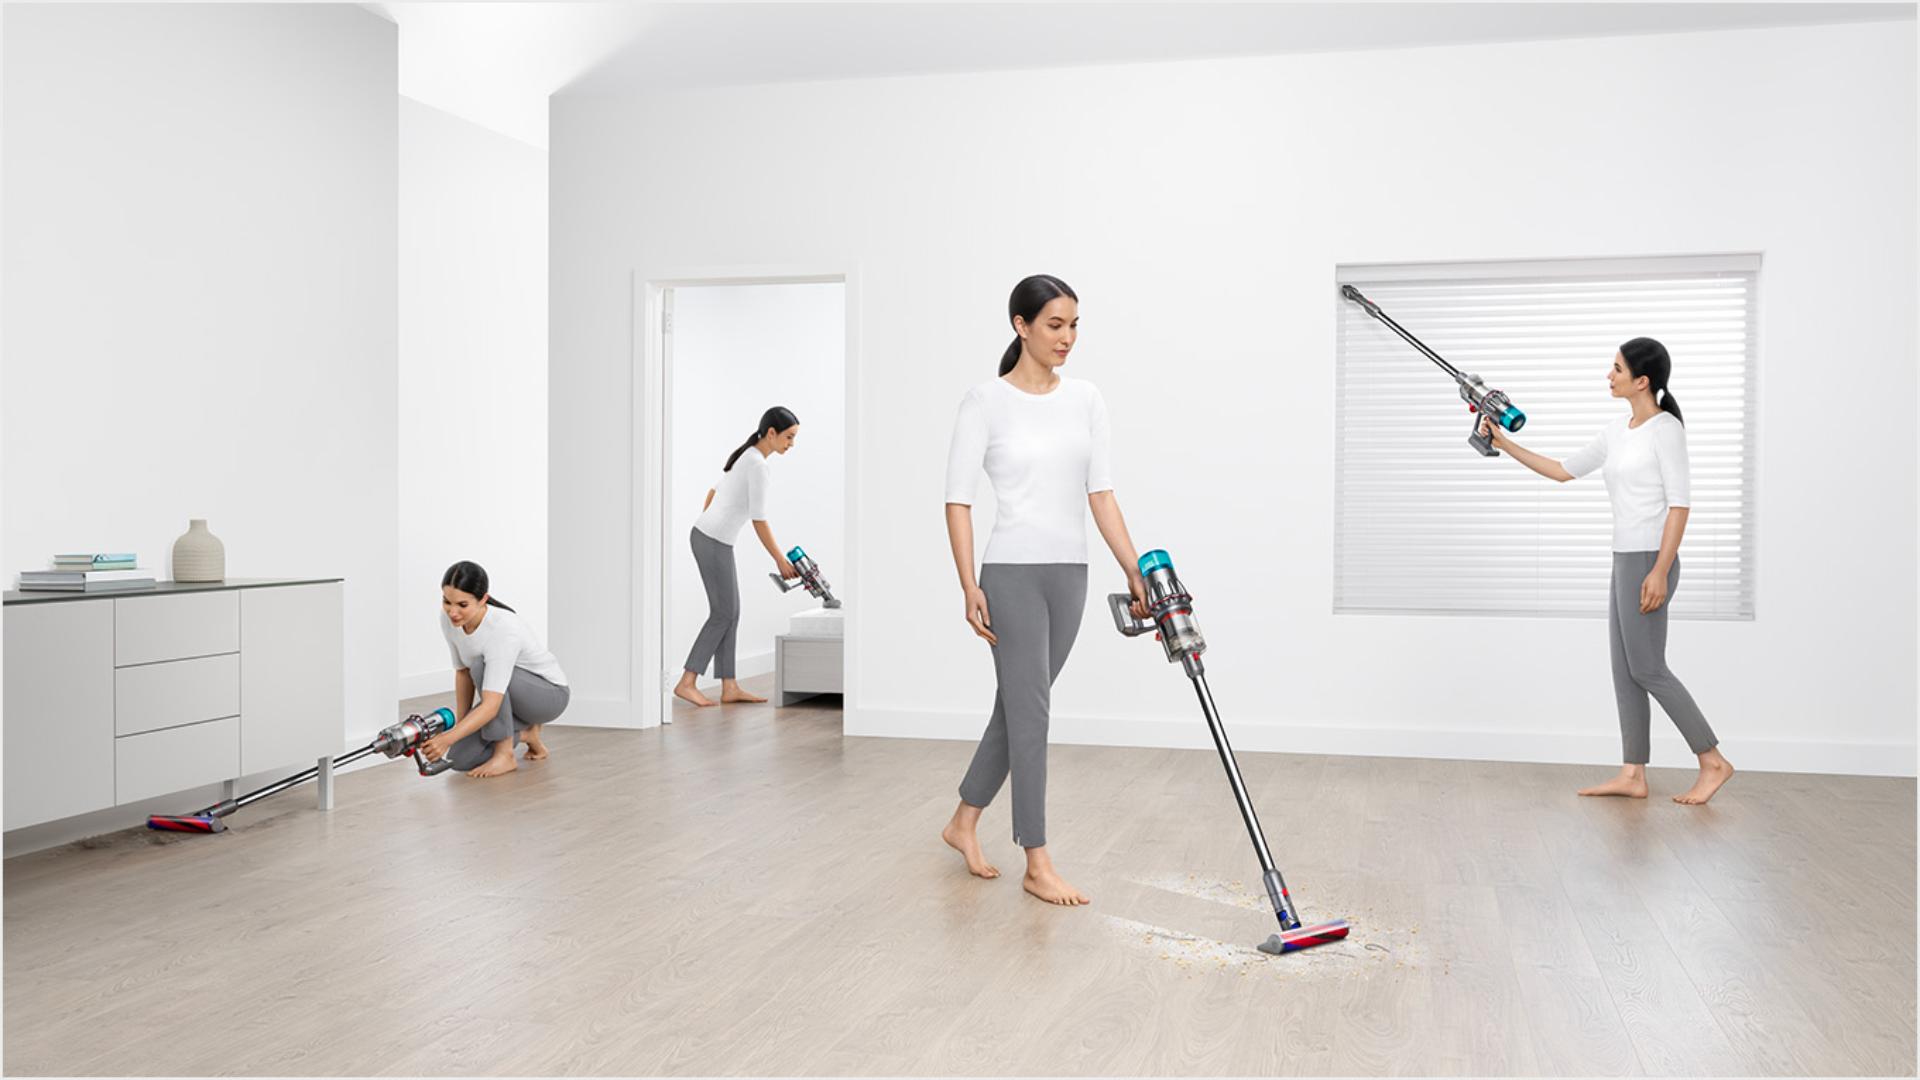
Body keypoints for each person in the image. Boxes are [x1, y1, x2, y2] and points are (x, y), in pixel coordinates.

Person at [941, 274, 1149, 906]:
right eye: (1055, 325)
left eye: (1075, 325)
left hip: (1072, 576)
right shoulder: (984, 402)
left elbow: (1101, 494)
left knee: (1018, 708)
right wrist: (969, 584)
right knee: (1033, 713)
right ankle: (1037, 859)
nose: (1068, 338)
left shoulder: (1086, 398)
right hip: (1011, 576)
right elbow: (957, 501)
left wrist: (1133, 570)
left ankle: (962, 822)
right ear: (1021, 325)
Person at [1481, 337, 1733, 805]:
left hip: (1649, 561)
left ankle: (1712, 760)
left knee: (1650, 668)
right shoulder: (1619, 430)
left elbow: (1680, 505)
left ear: (1642, 380)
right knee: (1626, 671)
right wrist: (1504, 443)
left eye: (1616, 368)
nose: (1608, 375)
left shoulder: (1666, 429)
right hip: (1624, 559)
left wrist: (1659, 571)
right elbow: (1562, 471)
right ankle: (1633, 773)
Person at [675, 406, 802, 707]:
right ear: (771, 433)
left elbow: (713, 491)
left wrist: (710, 522)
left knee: (731, 612)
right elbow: (759, 519)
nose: (791, 444)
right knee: (723, 613)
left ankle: (729, 686)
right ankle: (687, 682)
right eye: (789, 437)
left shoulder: (748, 456)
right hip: (712, 540)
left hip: (714, 538)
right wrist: (780, 560)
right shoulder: (757, 464)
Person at [421, 560, 571, 778]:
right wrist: (459, 729)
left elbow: (491, 706)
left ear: (483, 599)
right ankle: (528, 734)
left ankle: (505, 754)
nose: (453, 612)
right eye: (447, 602)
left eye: (462, 605)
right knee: (459, 760)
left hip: (548, 696)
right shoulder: (448, 620)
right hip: (507, 698)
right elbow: (462, 672)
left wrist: (446, 739)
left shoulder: (503, 629)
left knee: (480, 665)